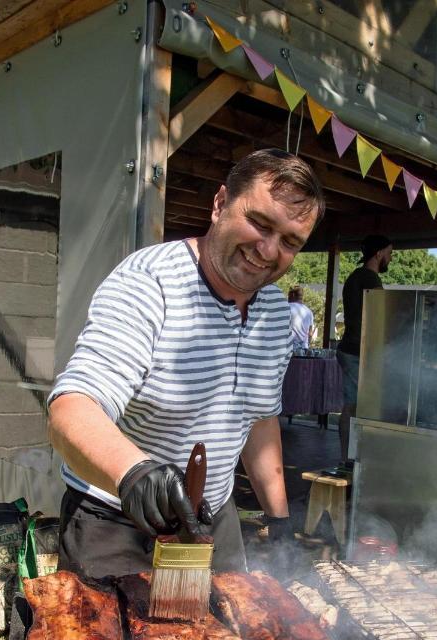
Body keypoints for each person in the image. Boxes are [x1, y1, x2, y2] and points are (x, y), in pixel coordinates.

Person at [47, 149, 325, 580]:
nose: (268, 251)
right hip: (118, 523)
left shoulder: (274, 311)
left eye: (290, 242)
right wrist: (134, 471)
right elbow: (72, 408)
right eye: (260, 223)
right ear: (219, 205)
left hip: (214, 522)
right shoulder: (149, 282)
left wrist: (279, 520)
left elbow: (259, 421)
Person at [336, 234, 393, 469]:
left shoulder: (354, 277)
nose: (390, 258)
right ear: (378, 253)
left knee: (352, 405)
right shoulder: (370, 279)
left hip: (350, 348)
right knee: (357, 406)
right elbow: (381, 317)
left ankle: (349, 457)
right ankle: (352, 460)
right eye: (389, 253)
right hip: (358, 351)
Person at [288, 285, 315, 349]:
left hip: (289, 349)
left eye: (288, 296)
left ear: (293, 295)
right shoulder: (309, 312)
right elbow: (310, 334)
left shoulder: (287, 307)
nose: (288, 298)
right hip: (303, 349)